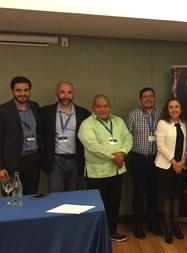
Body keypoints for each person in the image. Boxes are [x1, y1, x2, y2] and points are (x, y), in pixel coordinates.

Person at [78, 95, 133, 242]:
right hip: (97, 173)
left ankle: (112, 231)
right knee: (97, 206)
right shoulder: (87, 124)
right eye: (99, 106)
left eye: (105, 106)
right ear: (93, 108)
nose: (102, 109)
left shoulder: (118, 121)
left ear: (110, 107)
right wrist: (115, 157)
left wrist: (123, 153)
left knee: (114, 203)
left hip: (116, 170)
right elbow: (92, 146)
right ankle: (96, 235)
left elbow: (128, 138)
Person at [125, 87, 163, 239]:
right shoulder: (132, 115)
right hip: (139, 159)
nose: (148, 99)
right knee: (139, 193)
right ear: (140, 99)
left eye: (151, 96)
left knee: (154, 194)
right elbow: (126, 137)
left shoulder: (161, 114)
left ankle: (153, 224)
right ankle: (138, 225)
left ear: (155, 98)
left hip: (157, 159)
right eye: (145, 97)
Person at [40, 81, 90, 192]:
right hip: (55, 161)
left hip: (75, 160)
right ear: (56, 92)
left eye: (69, 92)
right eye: (62, 92)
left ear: (73, 93)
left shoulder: (84, 113)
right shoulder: (45, 112)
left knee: (72, 196)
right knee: (55, 196)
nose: (66, 96)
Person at [0, 76, 44, 195]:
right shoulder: (3, 110)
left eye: (26, 90)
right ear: (12, 91)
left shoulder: (35, 106)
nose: (22, 93)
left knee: (31, 196)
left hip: (33, 160)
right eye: (18, 90)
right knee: (12, 198)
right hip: (12, 162)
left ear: (30, 91)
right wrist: (0, 167)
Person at [155, 98, 187, 244]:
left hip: (182, 166)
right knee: (167, 197)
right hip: (165, 166)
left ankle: (176, 225)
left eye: (177, 107)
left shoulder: (185, 124)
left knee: (177, 196)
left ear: (181, 109)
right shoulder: (163, 123)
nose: (174, 109)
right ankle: (167, 228)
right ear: (167, 110)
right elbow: (160, 146)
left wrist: (183, 162)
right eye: (171, 107)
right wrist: (174, 162)